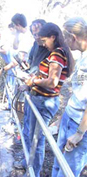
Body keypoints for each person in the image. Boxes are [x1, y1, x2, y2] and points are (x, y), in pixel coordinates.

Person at [24, 22, 74, 177]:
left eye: (45, 40)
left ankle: (34, 173)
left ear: (53, 37)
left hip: (44, 102)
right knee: (35, 139)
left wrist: (34, 81)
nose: (43, 44)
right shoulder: (60, 53)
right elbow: (50, 78)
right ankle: (32, 170)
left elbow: (52, 82)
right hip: (41, 100)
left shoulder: (57, 53)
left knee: (37, 141)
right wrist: (37, 77)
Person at [52, 17, 87, 177]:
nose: (64, 42)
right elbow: (78, 91)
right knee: (57, 164)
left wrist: (80, 133)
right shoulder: (82, 57)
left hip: (79, 125)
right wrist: (62, 116)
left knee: (67, 172)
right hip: (69, 117)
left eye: (65, 38)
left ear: (73, 37)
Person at [14, 19, 50, 170]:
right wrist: (26, 68)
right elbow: (32, 63)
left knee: (38, 137)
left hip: (42, 97)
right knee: (28, 130)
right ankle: (26, 161)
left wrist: (30, 81)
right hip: (32, 92)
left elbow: (50, 79)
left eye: (39, 34)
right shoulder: (36, 44)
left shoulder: (53, 50)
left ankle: (34, 169)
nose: (37, 37)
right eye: (34, 34)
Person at [0, 30, 15, 109]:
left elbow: (5, 51)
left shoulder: (2, 43)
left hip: (12, 66)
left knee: (11, 86)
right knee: (9, 85)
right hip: (9, 66)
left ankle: (10, 105)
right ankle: (9, 104)